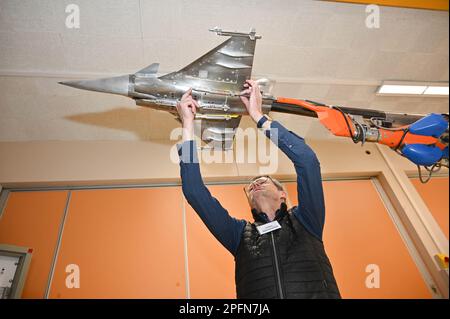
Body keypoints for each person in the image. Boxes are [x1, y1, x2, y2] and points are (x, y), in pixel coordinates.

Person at [176, 80, 341, 299]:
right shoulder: (238, 236)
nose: (255, 184)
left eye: (264, 179)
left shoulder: (306, 220)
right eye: (251, 186)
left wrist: (257, 115)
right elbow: (194, 191)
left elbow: (307, 161)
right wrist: (187, 126)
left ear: (283, 194)